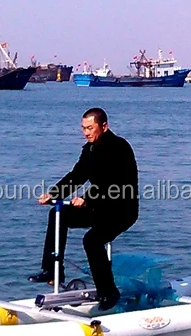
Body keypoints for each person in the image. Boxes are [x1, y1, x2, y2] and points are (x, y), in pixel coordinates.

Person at [29, 107, 138, 310]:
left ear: (104, 126)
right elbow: (76, 176)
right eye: (83, 128)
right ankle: (53, 270)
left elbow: (115, 183)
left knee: (92, 240)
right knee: (58, 215)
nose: (86, 132)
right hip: (99, 208)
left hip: (121, 210)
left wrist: (88, 198)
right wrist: (54, 193)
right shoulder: (89, 150)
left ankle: (109, 292)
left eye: (90, 128)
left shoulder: (119, 147)